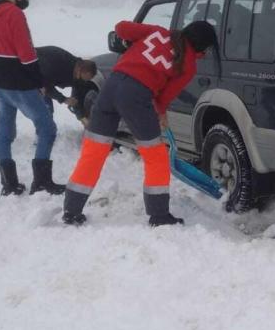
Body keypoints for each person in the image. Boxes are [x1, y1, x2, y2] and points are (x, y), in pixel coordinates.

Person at [62, 20, 218, 227]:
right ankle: (159, 215)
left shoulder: (159, 32)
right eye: (206, 49)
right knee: (155, 156)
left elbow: (120, 28)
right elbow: (164, 97)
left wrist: (131, 43)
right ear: (200, 45)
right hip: (136, 97)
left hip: (110, 89)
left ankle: (71, 211)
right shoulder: (188, 64)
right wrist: (161, 113)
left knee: (94, 152)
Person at [0, 0, 65, 196]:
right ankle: (42, 182)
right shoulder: (14, 14)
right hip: (20, 84)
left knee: (4, 133)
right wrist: (39, 82)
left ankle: (9, 184)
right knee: (47, 128)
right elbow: (27, 54)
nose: (27, 0)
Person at [0, 46, 98, 155]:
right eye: (86, 78)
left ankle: (42, 138)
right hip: (18, 72)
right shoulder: (58, 64)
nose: (85, 81)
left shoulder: (77, 72)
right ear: (82, 71)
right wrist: (63, 99)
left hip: (38, 80)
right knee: (6, 106)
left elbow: (76, 97)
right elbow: (45, 85)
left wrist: (82, 116)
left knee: (46, 109)